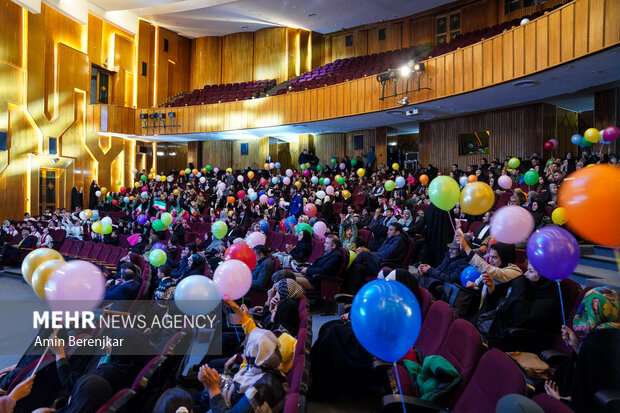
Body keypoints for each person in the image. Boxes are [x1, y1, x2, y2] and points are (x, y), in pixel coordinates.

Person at [544, 287, 620, 413]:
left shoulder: (595, 341)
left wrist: (559, 399)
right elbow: (597, 371)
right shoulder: (610, 332)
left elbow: (586, 397)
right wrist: (576, 345)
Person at [196, 329, 288, 413]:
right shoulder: (262, 367)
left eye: (246, 349)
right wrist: (216, 385)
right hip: (226, 405)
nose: (243, 353)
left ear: (254, 355)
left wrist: (213, 389)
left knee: (188, 401)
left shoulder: (263, 388)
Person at [478, 261, 562, 351]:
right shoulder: (534, 289)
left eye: (530, 271)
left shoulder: (548, 302)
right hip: (506, 332)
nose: (525, 274)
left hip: (523, 341)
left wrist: (519, 286)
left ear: (544, 277)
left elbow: (519, 320)